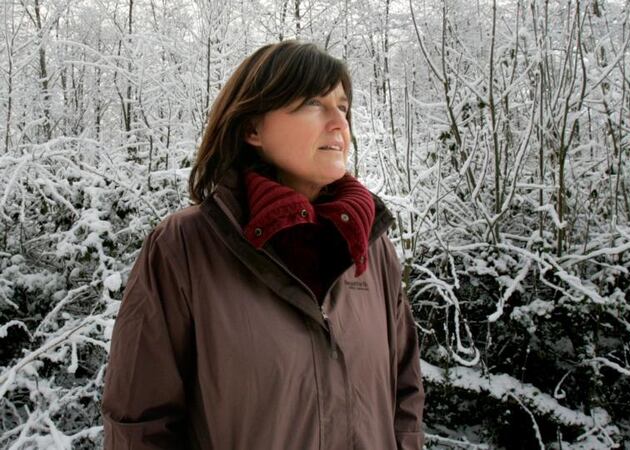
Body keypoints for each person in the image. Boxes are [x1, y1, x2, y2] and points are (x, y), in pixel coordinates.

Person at [101, 40, 425, 450]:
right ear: (252, 128)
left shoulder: (371, 247)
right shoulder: (184, 247)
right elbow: (140, 424)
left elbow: (405, 392)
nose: (339, 123)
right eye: (312, 102)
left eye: (342, 106)